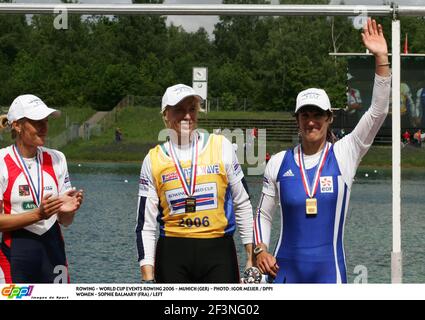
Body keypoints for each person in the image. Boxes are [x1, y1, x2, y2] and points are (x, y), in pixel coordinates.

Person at [253, 18, 391, 283]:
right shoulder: (279, 163)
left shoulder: (344, 154)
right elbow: (263, 213)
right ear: (297, 120)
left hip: (329, 274)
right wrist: (260, 249)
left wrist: (381, 58)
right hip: (284, 273)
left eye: (317, 114)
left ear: (329, 119)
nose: (311, 121)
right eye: (305, 115)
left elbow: (377, 112)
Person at [136, 84, 253, 283]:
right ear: (165, 114)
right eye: (179, 110)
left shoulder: (221, 146)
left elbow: (243, 203)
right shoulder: (153, 159)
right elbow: (145, 225)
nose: (187, 116)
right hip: (173, 253)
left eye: (192, 109)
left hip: (218, 250)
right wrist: (147, 277)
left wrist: (251, 257)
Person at [0, 94, 84, 283]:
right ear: (17, 125)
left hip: (53, 250)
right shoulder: (1, 162)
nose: (44, 127)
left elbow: (65, 221)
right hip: (15, 253)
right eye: (36, 122)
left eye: (45, 121)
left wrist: (70, 211)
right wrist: (37, 215)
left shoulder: (57, 158)